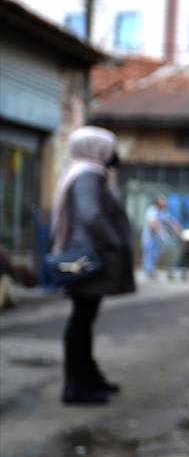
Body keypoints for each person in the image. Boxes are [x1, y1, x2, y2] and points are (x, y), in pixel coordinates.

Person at [50, 126, 135, 405]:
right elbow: (91, 214)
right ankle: (77, 386)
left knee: (83, 320)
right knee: (81, 321)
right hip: (86, 260)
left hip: (84, 257)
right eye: (109, 148)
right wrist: (113, 242)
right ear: (96, 149)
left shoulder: (85, 171)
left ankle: (88, 378)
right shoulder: (88, 174)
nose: (114, 154)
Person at [142, 195, 182, 279]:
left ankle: (152, 271)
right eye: (162, 200)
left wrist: (177, 229)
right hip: (150, 237)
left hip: (157, 238)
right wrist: (161, 232)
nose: (164, 202)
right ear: (157, 202)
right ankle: (148, 271)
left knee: (155, 254)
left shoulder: (163, 211)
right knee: (150, 254)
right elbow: (152, 223)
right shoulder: (152, 210)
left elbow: (170, 221)